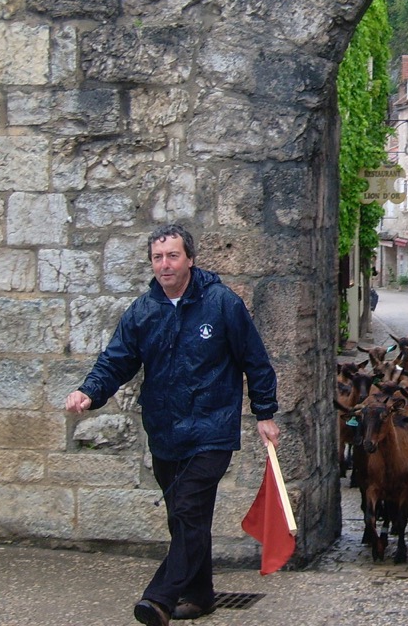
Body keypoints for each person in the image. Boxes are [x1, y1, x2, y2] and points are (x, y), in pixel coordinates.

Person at [64, 224, 279, 626]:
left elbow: (256, 360)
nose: (165, 264)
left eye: (173, 256)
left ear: (190, 259)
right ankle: (199, 595)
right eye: (158, 257)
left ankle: (159, 598)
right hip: (164, 430)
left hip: (212, 428)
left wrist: (265, 413)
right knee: (185, 519)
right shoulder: (144, 312)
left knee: (188, 508)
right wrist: (89, 391)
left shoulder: (221, 304)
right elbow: (116, 360)